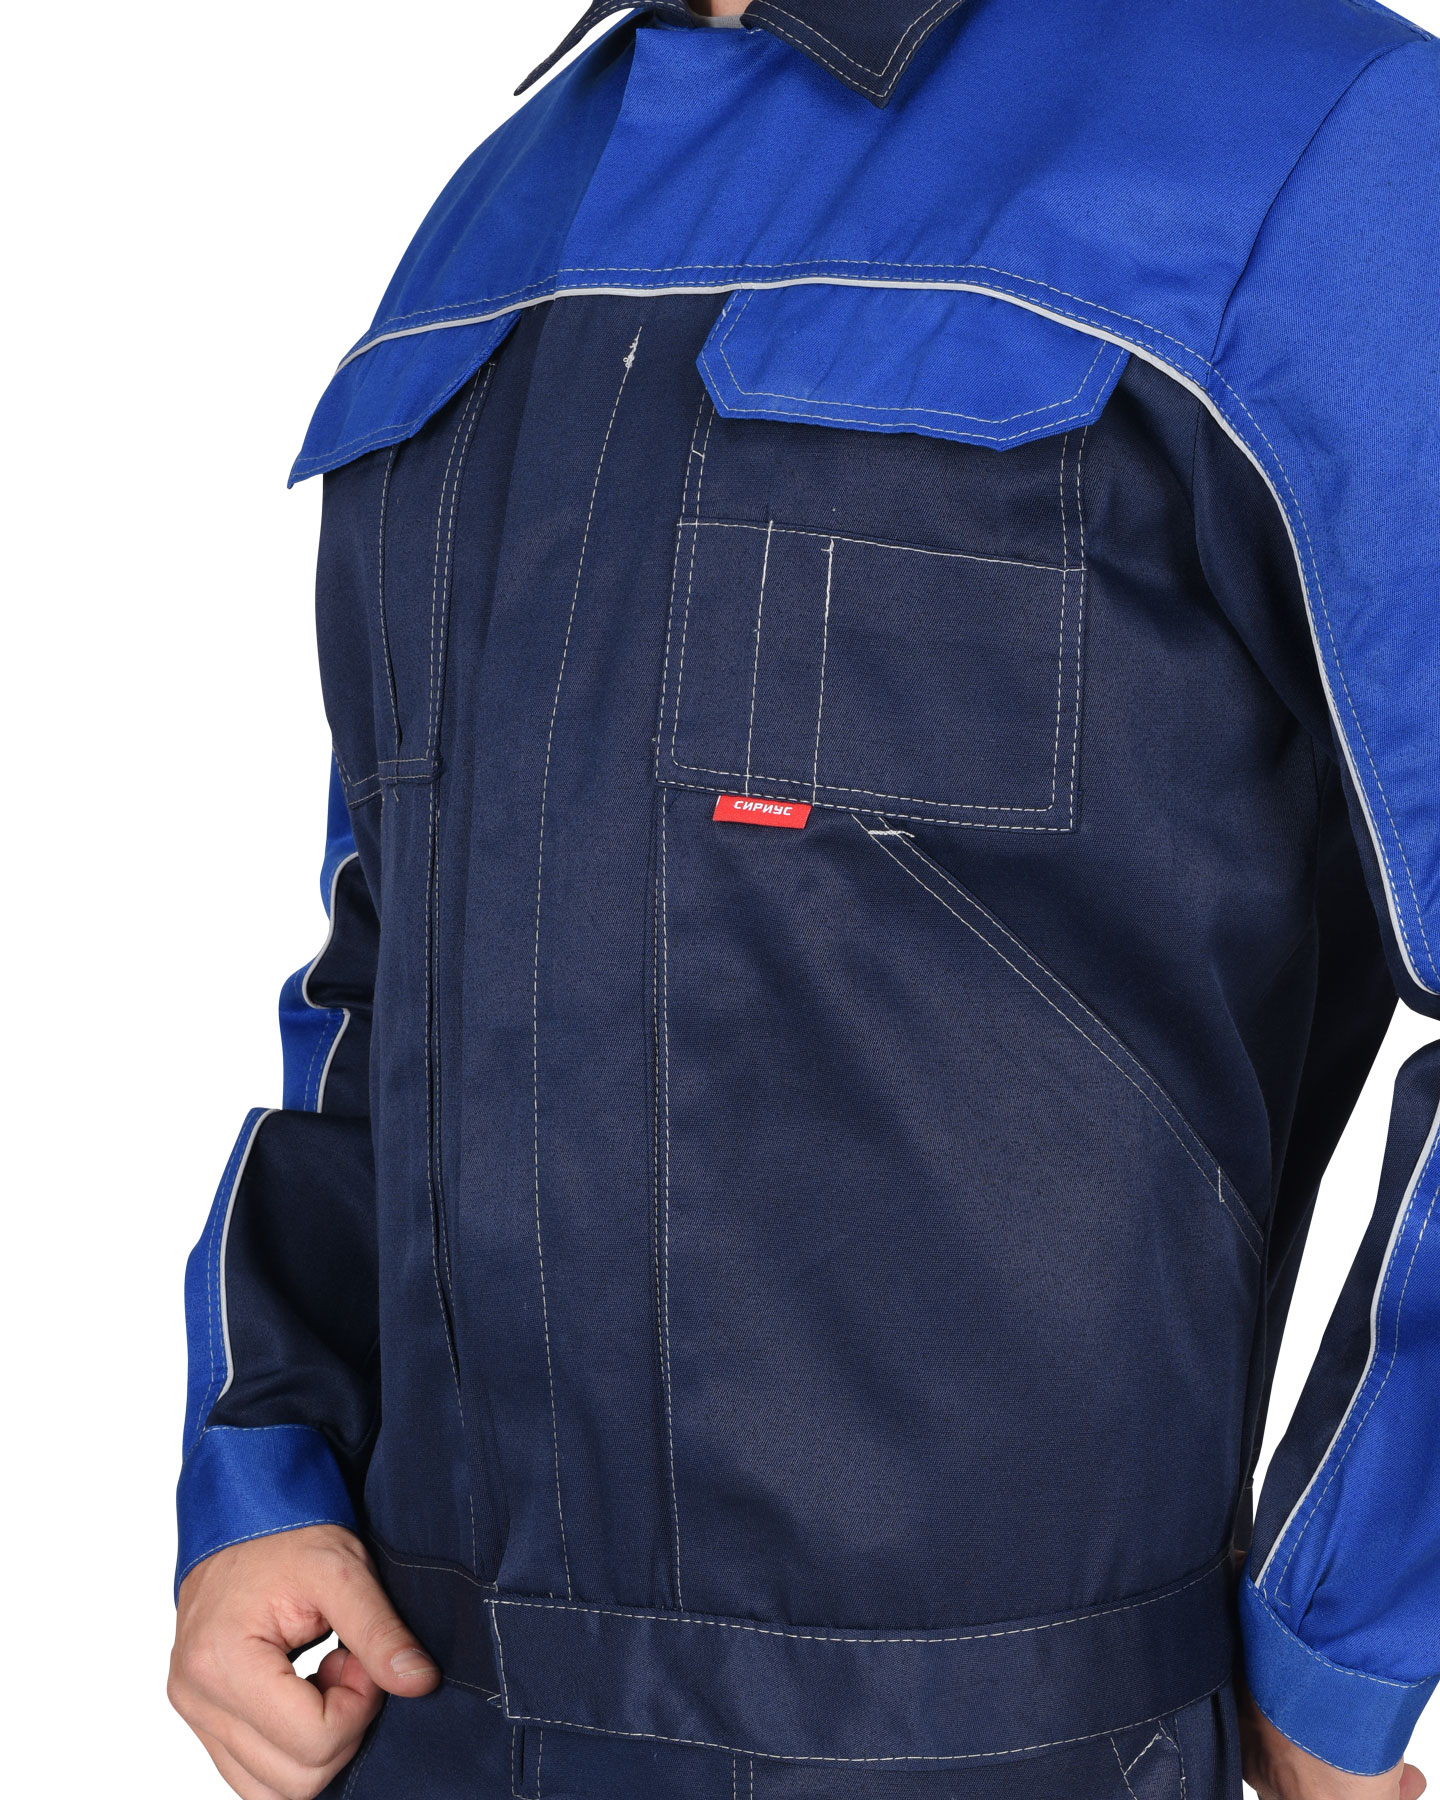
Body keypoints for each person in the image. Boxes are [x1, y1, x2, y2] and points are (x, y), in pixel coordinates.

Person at [166, 2, 1440, 1796]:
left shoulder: (1324, 147)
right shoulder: (498, 212)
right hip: (427, 1712)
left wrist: (1342, 1640)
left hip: (994, 1749)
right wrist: (265, 1468)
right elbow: (387, 949)